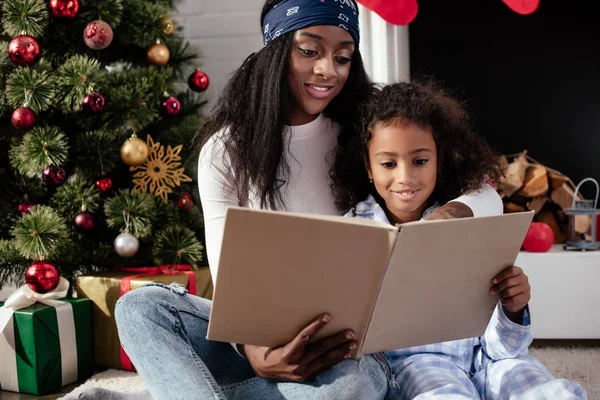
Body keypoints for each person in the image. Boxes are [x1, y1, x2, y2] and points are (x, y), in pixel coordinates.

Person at [115, 1, 504, 399]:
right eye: (310, 51)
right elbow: (228, 276)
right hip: (257, 340)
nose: (328, 70)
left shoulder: (362, 132)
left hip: (339, 353)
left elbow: (486, 194)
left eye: (343, 57)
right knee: (139, 309)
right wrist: (252, 350)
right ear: (277, 50)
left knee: (358, 385)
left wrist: (452, 213)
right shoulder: (225, 150)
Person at [341, 80, 587, 399]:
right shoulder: (356, 230)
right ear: (369, 167)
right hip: (422, 364)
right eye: (389, 163)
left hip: (495, 360)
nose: (404, 177)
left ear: (439, 159)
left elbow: (507, 348)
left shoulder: (467, 214)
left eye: (420, 161)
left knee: (554, 393)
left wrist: (514, 307)